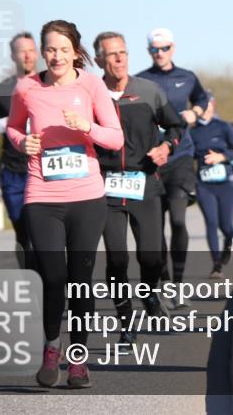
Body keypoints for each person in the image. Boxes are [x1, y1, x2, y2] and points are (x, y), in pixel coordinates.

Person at [6, 20, 124, 388]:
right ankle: (51, 346)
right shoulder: (26, 87)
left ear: (75, 51)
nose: (56, 56)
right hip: (42, 195)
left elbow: (116, 139)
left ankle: (77, 360)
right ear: (43, 51)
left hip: (86, 197)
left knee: (80, 281)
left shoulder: (91, 85)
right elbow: (13, 127)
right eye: (50, 49)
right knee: (53, 277)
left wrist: (87, 127)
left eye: (63, 49)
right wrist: (21, 142)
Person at [93, 32, 184, 346]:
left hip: (144, 183)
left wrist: (166, 147)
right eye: (112, 54)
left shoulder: (148, 91)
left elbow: (176, 126)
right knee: (117, 258)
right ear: (98, 60)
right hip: (106, 188)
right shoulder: (91, 95)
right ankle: (126, 322)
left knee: (151, 256)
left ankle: (149, 293)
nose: (120, 58)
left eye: (123, 52)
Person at [136, 28, 211, 298]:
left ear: (173, 48)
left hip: (181, 156)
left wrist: (196, 111)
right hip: (152, 160)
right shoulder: (140, 81)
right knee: (155, 229)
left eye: (164, 48)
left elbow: (202, 98)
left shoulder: (187, 77)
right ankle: (165, 280)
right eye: (155, 49)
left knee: (178, 220)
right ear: (149, 51)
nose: (160, 53)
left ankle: (178, 282)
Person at [0, 31, 38, 268]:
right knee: (23, 232)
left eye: (31, 50)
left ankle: (51, 280)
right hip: (14, 172)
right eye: (22, 51)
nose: (27, 55)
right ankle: (31, 278)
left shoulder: (48, 84)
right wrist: (11, 122)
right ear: (13, 55)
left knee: (44, 232)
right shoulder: (2, 89)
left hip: (44, 169)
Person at [189, 94, 233, 277]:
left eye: (209, 105)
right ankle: (216, 265)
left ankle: (229, 241)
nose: (207, 109)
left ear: (213, 106)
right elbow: (187, 156)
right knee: (211, 223)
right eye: (203, 105)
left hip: (226, 184)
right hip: (204, 185)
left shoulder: (224, 127)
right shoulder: (192, 131)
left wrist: (221, 156)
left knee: (226, 226)